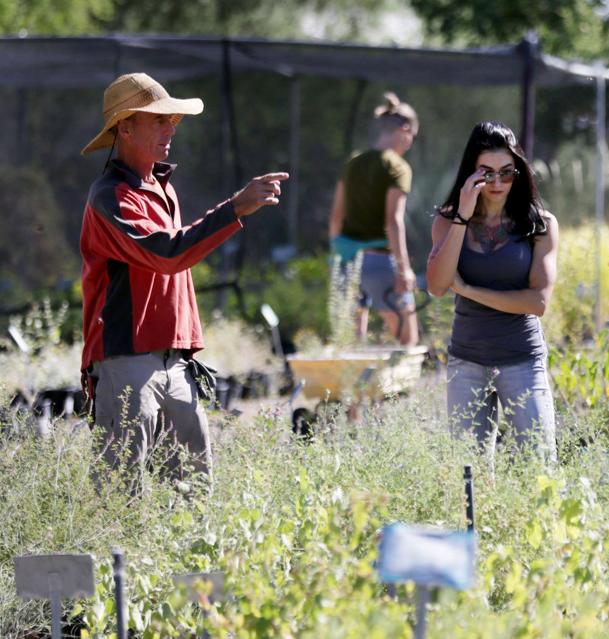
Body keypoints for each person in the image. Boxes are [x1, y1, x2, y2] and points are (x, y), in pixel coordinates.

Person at [79, 72, 287, 482]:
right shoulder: (109, 196)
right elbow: (166, 254)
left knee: (193, 491)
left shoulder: (160, 187)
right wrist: (236, 208)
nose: (171, 128)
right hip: (127, 361)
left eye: (172, 119)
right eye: (159, 119)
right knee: (122, 493)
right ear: (125, 127)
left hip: (175, 364)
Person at [426, 121, 559, 461]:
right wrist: (462, 216)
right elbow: (439, 286)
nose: (498, 183)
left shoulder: (540, 225)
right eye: (487, 173)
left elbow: (538, 302)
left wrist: (469, 289)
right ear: (471, 174)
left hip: (522, 361)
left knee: (539, 467)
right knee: (468, 475)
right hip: (467, 361)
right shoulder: (447, 220)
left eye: (507, 172)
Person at [328, 92, 420, 346]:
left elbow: (336, 217)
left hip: (346, 260)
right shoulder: (397, 167)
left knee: (352, 343)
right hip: (379, 263)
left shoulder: (353, 163)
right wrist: (404, 269)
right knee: (407, 340)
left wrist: (336, 256)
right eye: (412, 136)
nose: (411, 142)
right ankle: (400, 385)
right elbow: (393, 221)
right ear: (404, 129)